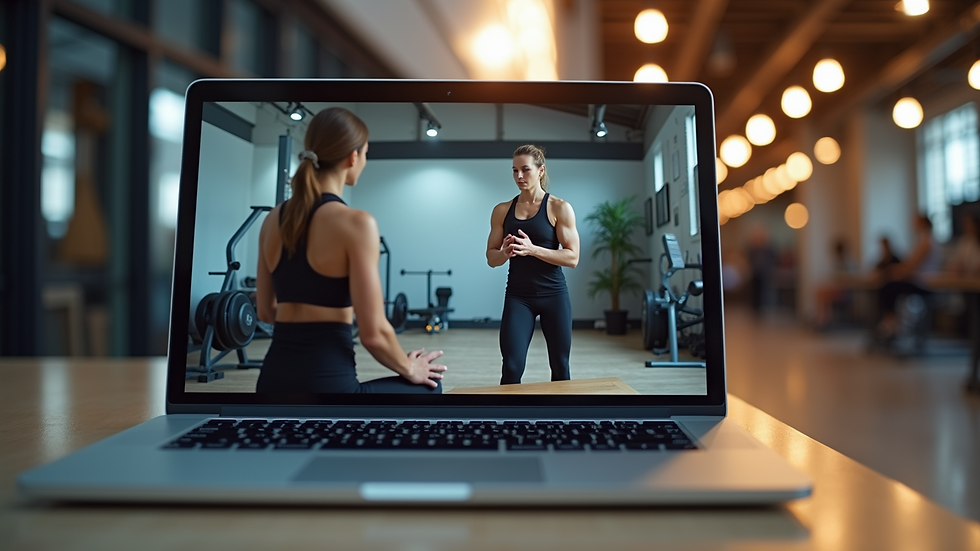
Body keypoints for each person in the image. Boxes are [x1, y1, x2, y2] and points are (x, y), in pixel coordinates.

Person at [254, 107, 446, 394]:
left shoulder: (273, 219)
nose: (364, 160)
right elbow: (373, 334)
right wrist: (409, 368)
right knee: (430, 388)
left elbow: (266, 311)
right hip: (329, 390)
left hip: (271, 385)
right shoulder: (356, 224)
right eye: (365, 153)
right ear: (353, 156)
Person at [486, 144, 580, 385]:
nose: (519, 176)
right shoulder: (502, 210)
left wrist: (533, 249)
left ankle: (561, 421)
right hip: (519, 297)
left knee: (560, 365)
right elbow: (491, 258)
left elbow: (572, 258)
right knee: (511, 366)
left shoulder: (559, 207)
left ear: (540, 171)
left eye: (525, 170)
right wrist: (505, 253)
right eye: (514, 170)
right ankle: (508, 421)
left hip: (554, 295)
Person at [875, 215, 942, 342]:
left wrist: (895, 271)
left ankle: (891, 321)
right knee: (889, 286)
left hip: (925, 283)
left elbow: (912, 266)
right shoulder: (924, 240)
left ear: (923, 224)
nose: (913, 226)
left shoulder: (927, 242)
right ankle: (890, 321)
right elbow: (910, 265)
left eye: (916, 223)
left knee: (889, 287)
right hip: (920, 281)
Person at [813, 238, 857, 329]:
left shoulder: (848, 262)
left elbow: (849, 279)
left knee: (822, 294)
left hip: (845, 292)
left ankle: (822, 320)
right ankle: (821, 318)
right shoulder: (838, 262)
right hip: (838, 289)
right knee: (820, 292)